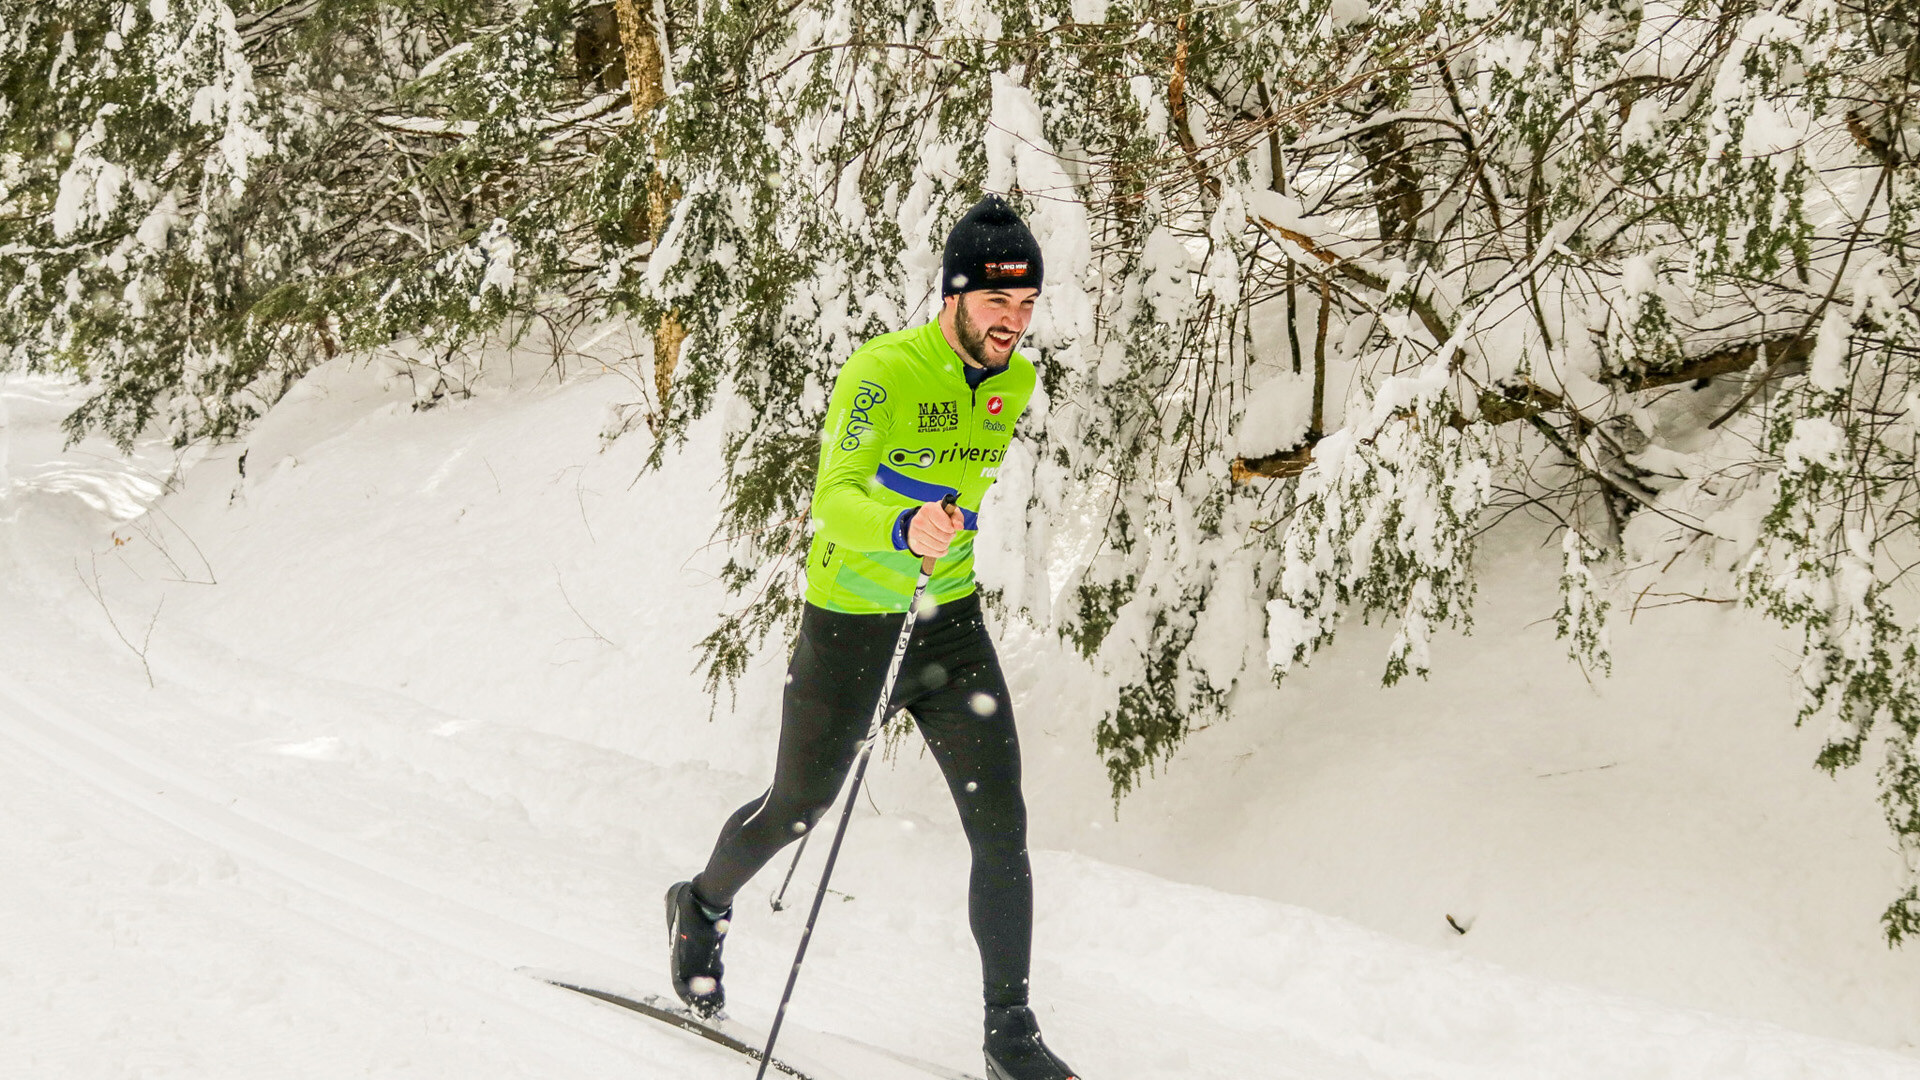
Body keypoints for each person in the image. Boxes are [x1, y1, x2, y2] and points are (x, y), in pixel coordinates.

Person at [666, 194, 1081, 1080]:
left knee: (1000, 825)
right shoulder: (882, 373)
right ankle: (700, 906)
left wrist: (938, 545)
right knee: (797, 808)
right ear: (953, 295)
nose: (1013, 323)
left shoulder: (1015, 380)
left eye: (1026, 305)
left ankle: (1010, 1032)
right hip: (852, 625)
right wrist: (903, 526)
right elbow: (834, 498)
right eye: (996, 303)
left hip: (950, 623)